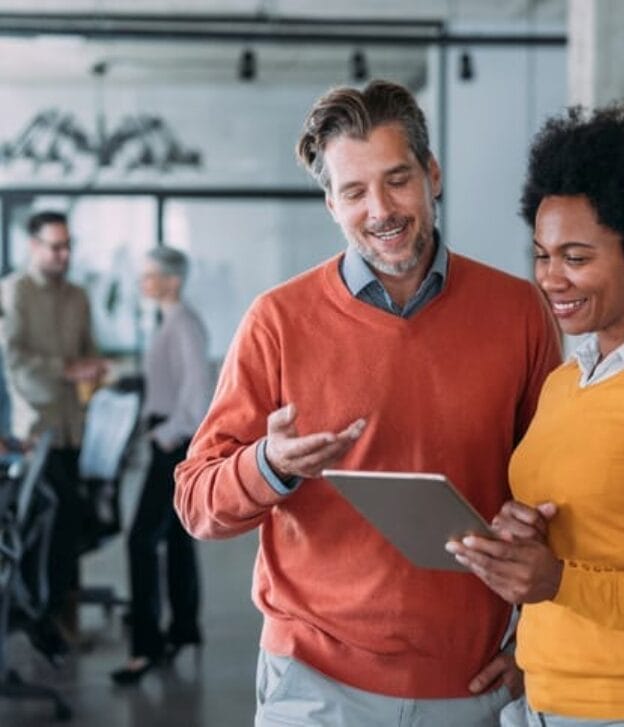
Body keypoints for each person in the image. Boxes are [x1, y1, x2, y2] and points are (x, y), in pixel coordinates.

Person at [174, 80, 561, 727]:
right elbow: (197, 503)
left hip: (470, 683)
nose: (379, 208)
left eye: (397, 179)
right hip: (314, 678)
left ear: (431, 174)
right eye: (353, 191)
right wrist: (269, 463)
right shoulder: (276, 320)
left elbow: (561, 497)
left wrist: (535, 642)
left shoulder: (519, 311)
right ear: (331, 203)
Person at [447, 103, 624, 726]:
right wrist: (526, 538)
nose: (551, 278)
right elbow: (596, 535)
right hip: (543, 703)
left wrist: (562, 582)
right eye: (543, 255)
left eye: (576, 257)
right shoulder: (566, 381)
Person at [0, 210, 107, 650]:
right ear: (34, 246)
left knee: (69, 524)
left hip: (73, 428)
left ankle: (54, 612)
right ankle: (37, 615)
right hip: (33, 429)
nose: (63, 254)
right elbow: (16, 362)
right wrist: (67, 370)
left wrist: (93, 367)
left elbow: (90, 351)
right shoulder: (15, 292)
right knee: (46, 520)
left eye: (68, 246)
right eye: (55, 246)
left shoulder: (78, 296)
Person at [111, 246, 212, 685]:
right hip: (169, 438)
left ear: (172, 280)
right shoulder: (172, 321)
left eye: (150, 275)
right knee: (174, 537)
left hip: (173, 443)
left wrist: (166, 433)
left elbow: (198, 395)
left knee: (140, 540)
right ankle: (184, 628)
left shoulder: (184, 325)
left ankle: (146, 647)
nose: (143, 282)